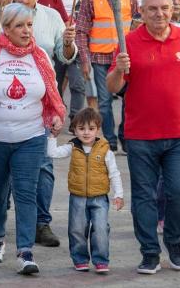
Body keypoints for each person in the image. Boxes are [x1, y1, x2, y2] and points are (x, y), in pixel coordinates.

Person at [105, 0, 180, 274]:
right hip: (140, 136)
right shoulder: (128, 43)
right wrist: (118, 70)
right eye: (152, 9)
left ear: (171, 8)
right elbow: (112, 88)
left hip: (177, 135)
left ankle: (173, 241)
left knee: (179, 191)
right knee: (144, 197)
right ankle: (149, 251)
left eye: (164, 8)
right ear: (142, 11)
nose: (160, 13)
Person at [0, 3, 66, 275]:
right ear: (6, 28)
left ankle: (25, 252)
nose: (26, 30)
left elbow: (51, 95)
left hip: (30, 136)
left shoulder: (40, 56)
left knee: (26, 192)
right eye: (19, 25)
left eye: (29, 25)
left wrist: (55, 116)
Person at [0, 0, 77, 248]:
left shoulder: (52, 17)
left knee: (43, 167)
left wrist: (68, 43)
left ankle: (40, 222)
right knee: (0, 177)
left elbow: (64, 56)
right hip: (0, 109)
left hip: (38, 107)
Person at [47, 107, 124, 273]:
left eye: (91, 128)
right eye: (81, 129)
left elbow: (114, 173)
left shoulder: (105, 150)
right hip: (78, 197)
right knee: (77, 229)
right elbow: (52, 153)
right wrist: (53, 137)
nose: (86, 133)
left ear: (98, 129)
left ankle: (101, 260)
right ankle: (80, 259)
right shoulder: (72, 147)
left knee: (101, 229)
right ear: (74, 130)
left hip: (100, 198)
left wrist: (119, 194)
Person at [75, 0, 138, 151]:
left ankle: (125, 138)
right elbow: (82, 29)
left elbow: (136, 21)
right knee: (104, 101)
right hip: (101, 56)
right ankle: (110, 141)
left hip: (126, 55)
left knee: (130, 99)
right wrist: (84, 60)